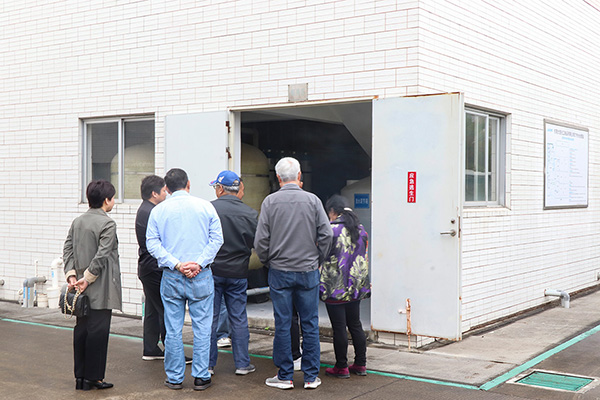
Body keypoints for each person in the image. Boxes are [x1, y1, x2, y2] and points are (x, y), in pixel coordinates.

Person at [254, 157, 333, 390]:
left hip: (280, 271)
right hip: (308, 270)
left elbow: (261, 241)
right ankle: (310, 377)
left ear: (278, 178)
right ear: (299, 176)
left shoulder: (269, 202)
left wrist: (268, 261)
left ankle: (285, 376)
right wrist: (318, 260)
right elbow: (327, 234)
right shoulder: (313, 200)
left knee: (283, 323)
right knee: (310, 323)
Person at [146, 168, 223, 391]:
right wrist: (198, 263)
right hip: (201, 275)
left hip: (172, 275)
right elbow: (217, 239)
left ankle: (174, 377)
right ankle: (201, 376)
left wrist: (177, 264)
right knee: (202, 327)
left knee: (172, 328)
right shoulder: (205, 206)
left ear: (167, 188)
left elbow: (152, 243)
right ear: (188, 184)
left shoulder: (158, 211)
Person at [63, 179, 122, 391]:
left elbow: (67, 249)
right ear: (106, 200)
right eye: (113, 198)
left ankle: (80, 377)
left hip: (79, 288)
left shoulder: (78, 221)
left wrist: (72, 275)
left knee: (82, 330)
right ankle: (94, 378)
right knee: (98, 332)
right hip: (100, 286)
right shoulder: (108, 224)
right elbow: (102, 255)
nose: (113, 201)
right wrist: (88, 278)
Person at [208, 170, 258, 375]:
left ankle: (208, 365)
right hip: (238, 273)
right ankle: (242, 364)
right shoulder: (251, 213)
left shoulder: (208, 209)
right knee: (238, 318)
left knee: (209, 319)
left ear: (220, 189)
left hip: (212, 272)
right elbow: (258, 244)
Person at [320, 195, 371, 378]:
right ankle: (360, 364)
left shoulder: (331, 230)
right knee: (355, 324)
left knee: (339, 327)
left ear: (332, 211)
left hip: (335, 285)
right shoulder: (360, 229)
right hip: (355, 285)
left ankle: (341, 367)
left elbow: (321, 254)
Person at [135, 175, 168, 361]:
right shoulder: (151, 212)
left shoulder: (145, 209)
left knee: (152, 310)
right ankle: (172, 351)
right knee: (165, 309)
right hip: (154, 268)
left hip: (147, 268)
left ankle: (150, 348)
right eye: (163, 191)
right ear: (154, 193)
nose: (166, 194)